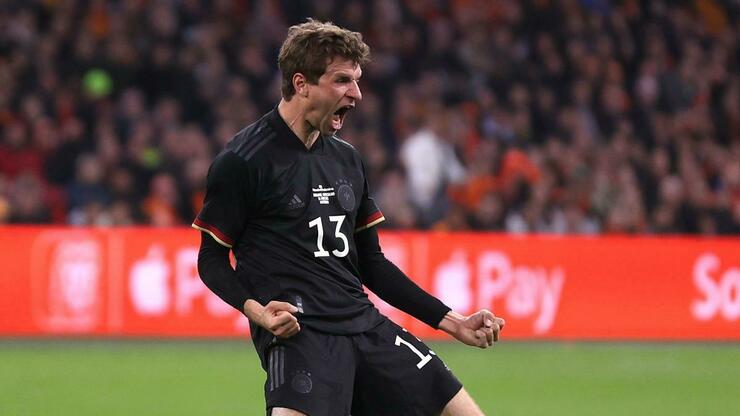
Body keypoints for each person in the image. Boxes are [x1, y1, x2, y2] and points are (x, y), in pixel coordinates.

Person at [193, 19, 505, 416]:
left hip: (366, 326)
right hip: (302, 337)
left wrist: (452, 321)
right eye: (342, 81)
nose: (356, 94)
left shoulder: (347, 159)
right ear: (301, 84)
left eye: (357, 81)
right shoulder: (244, 161)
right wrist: (257, 311)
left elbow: (371, 263)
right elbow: (211, 259)